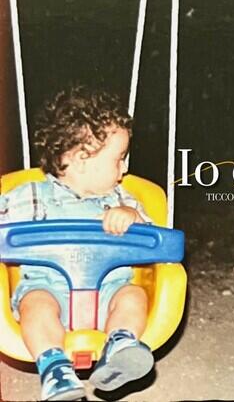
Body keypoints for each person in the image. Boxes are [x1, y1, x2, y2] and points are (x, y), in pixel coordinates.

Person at [0, 86, 154, 401]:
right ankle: (55, 370)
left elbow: (154, 241)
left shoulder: (122, 199)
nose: (125, 168)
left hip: (109, 292)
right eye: (119, 158)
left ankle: (120, 345)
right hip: (49, 289)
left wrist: (132, 218)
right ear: (82, 159)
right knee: (35, 306)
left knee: (133, 295)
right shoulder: (32, 196)